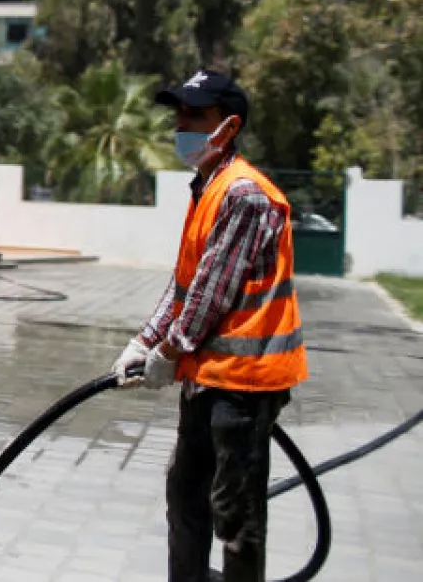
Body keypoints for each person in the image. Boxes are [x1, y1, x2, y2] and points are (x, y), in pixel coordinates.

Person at [112, 70, 308, 582]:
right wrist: (144, 339)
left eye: (195, 116)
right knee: (185, 495)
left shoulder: (244, 194)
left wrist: (169, 351)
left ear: (229, 125)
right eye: (179, 114)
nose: (181, 124)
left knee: (234, 513)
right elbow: (186, 285)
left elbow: (212, 294)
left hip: (243, 382)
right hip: (209, 376)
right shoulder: (207, 187)